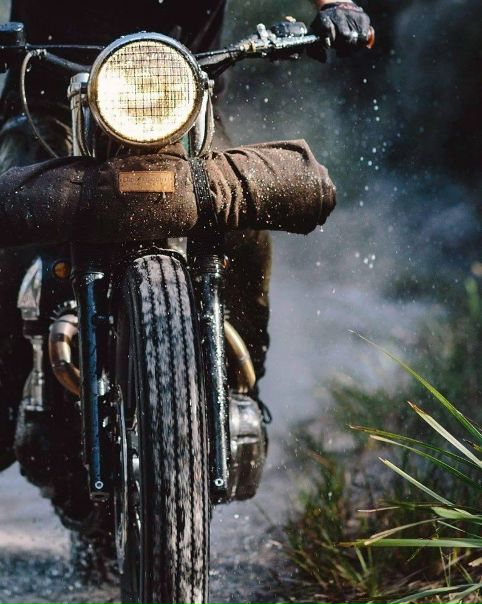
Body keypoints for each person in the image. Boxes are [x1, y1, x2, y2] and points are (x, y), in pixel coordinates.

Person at [0, 0, 372, 471]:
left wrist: (336, 5)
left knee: (241, 230)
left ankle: (239, 392)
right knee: (14, 252)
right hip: (50, 96)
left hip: (181, 100)